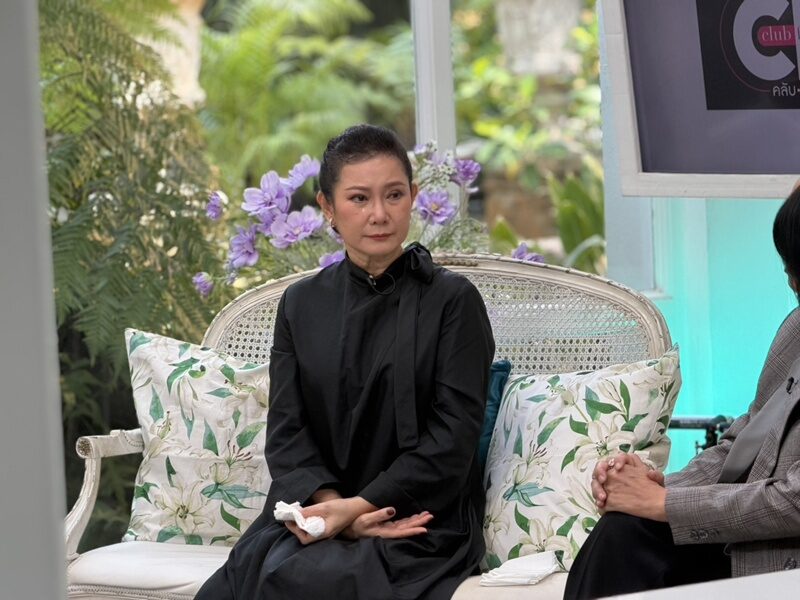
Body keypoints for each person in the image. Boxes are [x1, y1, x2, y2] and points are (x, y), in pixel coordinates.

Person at [195, 124, 495, 600]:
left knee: (309, 581)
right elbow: (289, 432)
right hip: (318, 511)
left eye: (394, 195)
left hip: (418, 519)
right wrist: (335, 512)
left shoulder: (453, 302)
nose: (379, 214)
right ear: (327, 207)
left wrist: (359, 508)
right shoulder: (300, 304)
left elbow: (451, 440)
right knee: (244, 578)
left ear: (414, 196)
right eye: (359, 198)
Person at [564, 184, 800, 599]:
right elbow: (741, 444)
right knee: (624, 531)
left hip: (785, 554)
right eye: (789, 268)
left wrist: (662, 505)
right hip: (748, 538)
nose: (793, 284)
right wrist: (652, 487)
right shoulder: (794, 330)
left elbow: (794, 502)